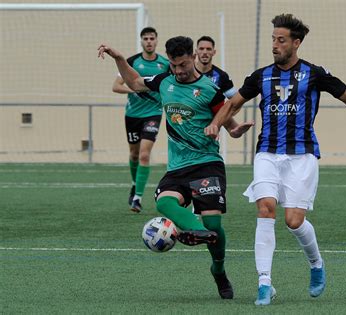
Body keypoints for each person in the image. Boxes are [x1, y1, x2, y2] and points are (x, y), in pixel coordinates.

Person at [204, 13, 346, 306]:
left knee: (294, 221)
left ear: (296, 43)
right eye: (273, 39)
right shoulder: (261, 76)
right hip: (267, 153)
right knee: (266, 208)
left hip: (302, 156)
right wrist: (217, 124)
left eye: (281, 40)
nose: (275, 45)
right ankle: (264, 283)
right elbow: (233, 102)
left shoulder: (315, 73)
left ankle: (316, 263)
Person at [98, 36, 253, 300]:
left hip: (206, 164)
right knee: (164, 202)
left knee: (213, 222)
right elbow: (135, 81)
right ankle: (197, 230)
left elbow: (226, 115)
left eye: (182, 64)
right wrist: (119, 59)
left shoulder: (209, 89)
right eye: (173, 65)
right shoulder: (164, 82)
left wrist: (233, 129)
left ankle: (218, 269)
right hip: (178, 166)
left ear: (192, 57)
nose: (178, 71)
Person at [112, 27, 170, 213]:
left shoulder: (165, 64)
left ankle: (137, 197)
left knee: (145, 154)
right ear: (141, 41)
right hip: (132, 115)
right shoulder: (132, 62)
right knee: (134, 154)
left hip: (153, 114)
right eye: (145, 38)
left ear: (156, 41)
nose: (149, 41)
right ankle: (134, 182)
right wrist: (134, 89)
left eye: (152, 38)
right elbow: (115, 86)